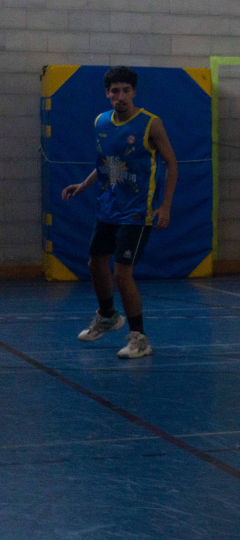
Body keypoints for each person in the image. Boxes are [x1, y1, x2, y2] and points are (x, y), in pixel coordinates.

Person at [62, 66, 178, 359]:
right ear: (107, 93)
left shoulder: (151, 124)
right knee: (95, 264)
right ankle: (108, 316)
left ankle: (140, 338)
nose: (121, 96)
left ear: (134, 92)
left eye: (126, 90)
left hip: (137, 212)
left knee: (122, 274)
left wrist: (165, 206)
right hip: (108, 208)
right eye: (115, 91)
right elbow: (106, 164)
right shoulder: (101, 122)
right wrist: (83, 185)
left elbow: (172, 163)